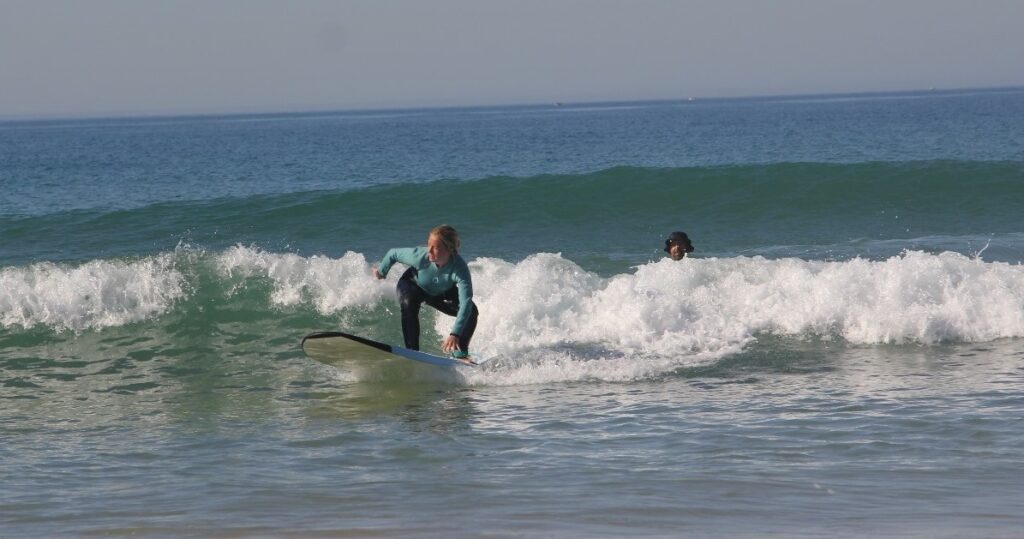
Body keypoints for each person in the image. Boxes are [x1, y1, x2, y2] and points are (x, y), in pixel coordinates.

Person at [373, 224, 479, 359]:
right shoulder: (419, 256)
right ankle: (413, 353)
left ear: (450, 249)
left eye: (435, 247)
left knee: (472, 312)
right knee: (408, 303)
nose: (429, 250)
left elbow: (465, 303)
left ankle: (460, 354)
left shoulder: (460, 269)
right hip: (413, 285)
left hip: (440, 292)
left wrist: (455, 334)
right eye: (428, 245)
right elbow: (393, 253)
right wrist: (381, 272)